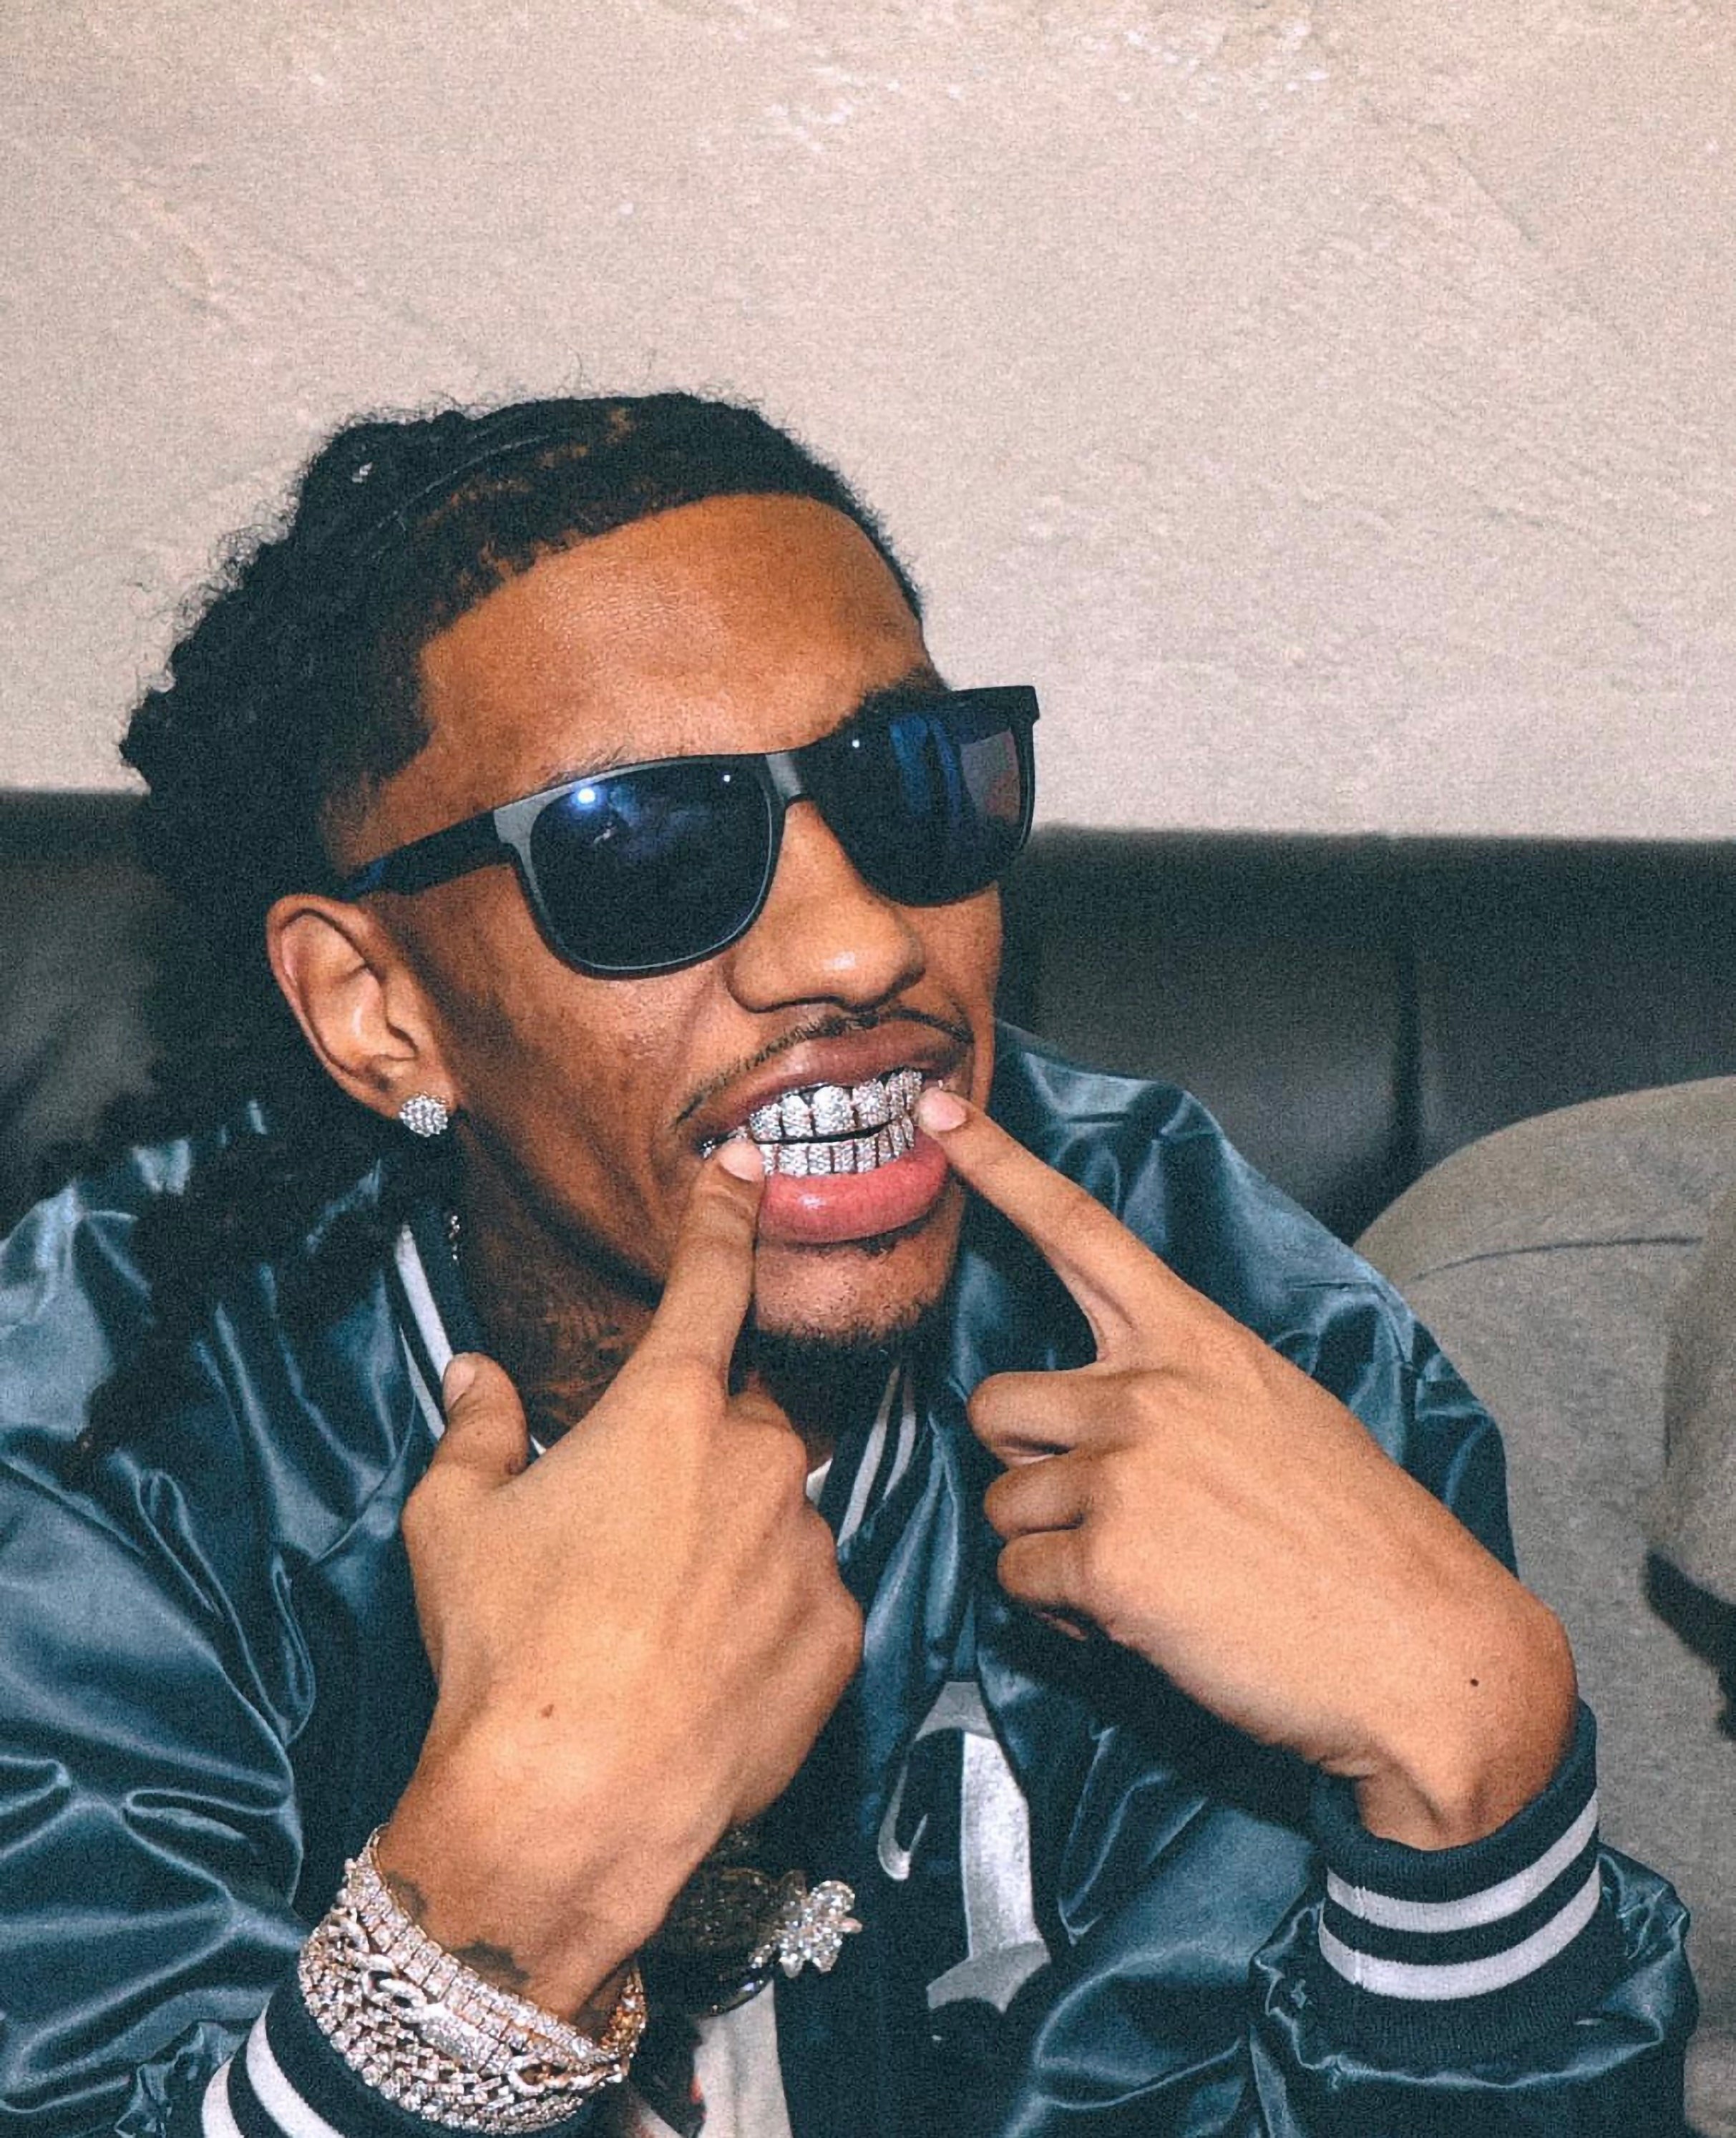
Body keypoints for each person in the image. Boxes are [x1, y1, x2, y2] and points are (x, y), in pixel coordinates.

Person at [0, 394, 1692, 2138]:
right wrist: (484, 1935)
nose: (862, 941)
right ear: (381, 1009)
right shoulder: (101, 1449)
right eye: (639, 843)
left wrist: (1476, 1803)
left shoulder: (1224, 1331)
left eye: (911, 784)